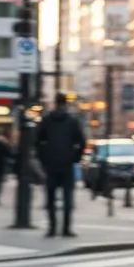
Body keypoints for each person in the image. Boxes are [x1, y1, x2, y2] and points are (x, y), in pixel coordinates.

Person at [36, 93, 86, 237]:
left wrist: (44, 159)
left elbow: (37, 142)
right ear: (66, 103)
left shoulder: (46, 120)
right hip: (67, 164)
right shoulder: (72, 121)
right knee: (67, 198)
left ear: (55, 102)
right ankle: (66, 229)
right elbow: (81, 142)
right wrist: (75, 158)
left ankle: (52, 228)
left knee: (50, 198)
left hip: (50, 164)